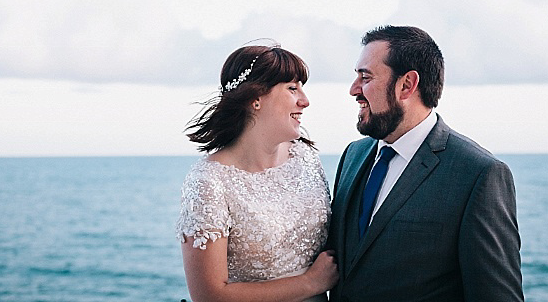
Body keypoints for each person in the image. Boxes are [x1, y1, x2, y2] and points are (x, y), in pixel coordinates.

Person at [328, 26, 524, 302]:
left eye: (365, 77)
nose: (354, 90)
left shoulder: (478, 174)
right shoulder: (353, 155)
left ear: (407, 85)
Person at [176, 43, 338, 302]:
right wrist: (309, 283)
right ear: (256, 99)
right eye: (292, 88)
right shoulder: (209, 181)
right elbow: (209, 296)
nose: (305, 101)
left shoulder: (306, 159)